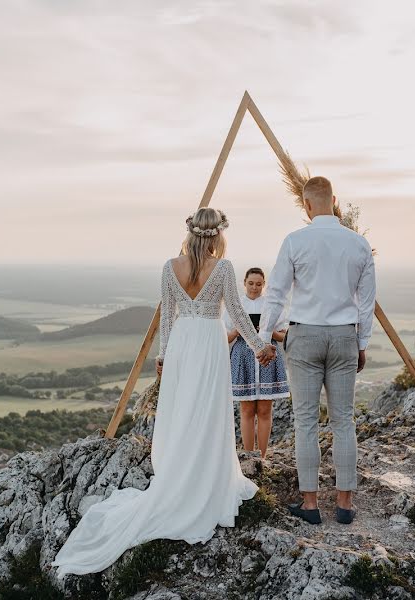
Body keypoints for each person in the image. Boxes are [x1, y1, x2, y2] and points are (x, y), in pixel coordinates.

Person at [52, 207, 277, 577]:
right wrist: (259, 347)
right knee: (206, 413)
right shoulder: (222, 267)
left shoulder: (169, 266)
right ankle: (206, 477)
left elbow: (169, 317)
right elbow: (237, 313)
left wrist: (164, 356)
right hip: (208, 342)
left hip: (184, 344)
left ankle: (181, 473)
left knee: (183, 411)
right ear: (217, 235)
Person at [258, 176, 376, 526]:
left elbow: (276, 292)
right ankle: (344, 503)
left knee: (306, 421)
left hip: (304, 337)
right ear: (334, 201)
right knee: (344, 421)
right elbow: (366, 302)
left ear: (307, 205)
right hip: (343, 336)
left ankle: (310, 504)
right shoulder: (359, 244)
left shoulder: (295, 241)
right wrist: (362, 343)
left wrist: (265, 336)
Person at [223, 267, 290, 459]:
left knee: (264, 409)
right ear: (244, 283)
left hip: (267, 358)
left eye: (259, 284)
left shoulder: (271, 305)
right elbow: (224, 338)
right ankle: (249, 455)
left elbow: (284, 336)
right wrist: (238, 330)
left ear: (264, 285)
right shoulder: (235, 305)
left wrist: (266, 330)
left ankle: (262, 456)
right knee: (246, 409)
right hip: (242, 357)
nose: (254, 287)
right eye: (251, 283)